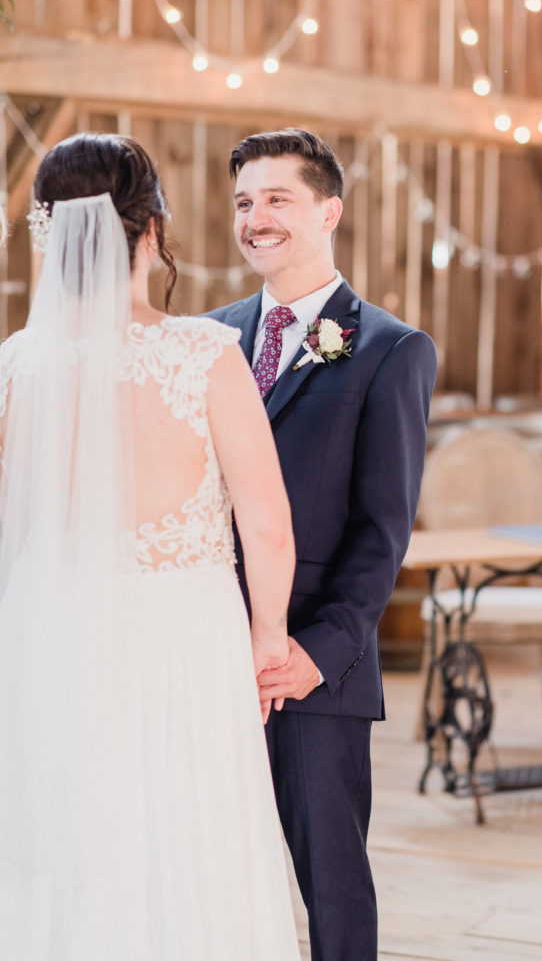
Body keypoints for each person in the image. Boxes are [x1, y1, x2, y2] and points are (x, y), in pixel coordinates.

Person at [0, 133, 301, 960]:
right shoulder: (203, 354)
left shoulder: (16, 365)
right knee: (186, 822)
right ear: (152, 230)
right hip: (183, 635)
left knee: (70, 828)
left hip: (53, 627)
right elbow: (267, 524)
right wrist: (268, 638)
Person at [206, 128, 438, 961]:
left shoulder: (388, 350)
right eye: (243, 201)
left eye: (278, 198)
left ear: (329, 211)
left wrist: (316, 652)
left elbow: (383, 535)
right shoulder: (204, 339)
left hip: (314, 668)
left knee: (332, 886)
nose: (256, 218)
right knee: (211, 871)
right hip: (200, 649)